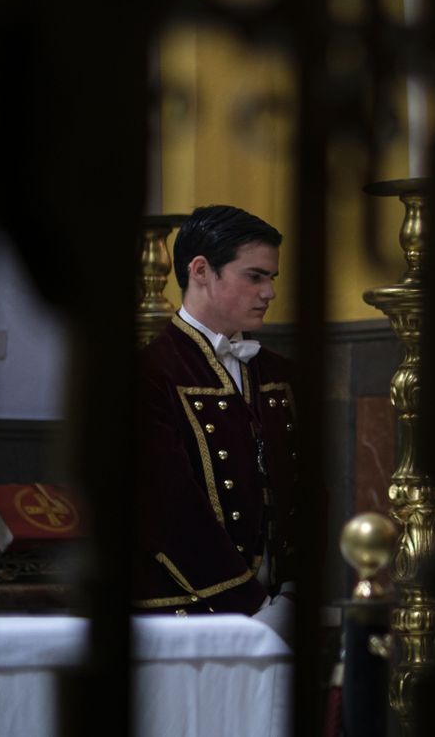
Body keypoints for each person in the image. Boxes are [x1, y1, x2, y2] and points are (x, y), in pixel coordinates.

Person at [133, 204, 301, 633]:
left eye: (272, 278)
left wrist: (292, 592)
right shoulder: (150, 374)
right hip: (187, 615)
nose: (269, 293)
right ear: (202, 271)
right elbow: (169, 509)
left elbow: (305, 490)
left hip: (280, 608)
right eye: (254, 276)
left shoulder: (278, 373)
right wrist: (253, 606)